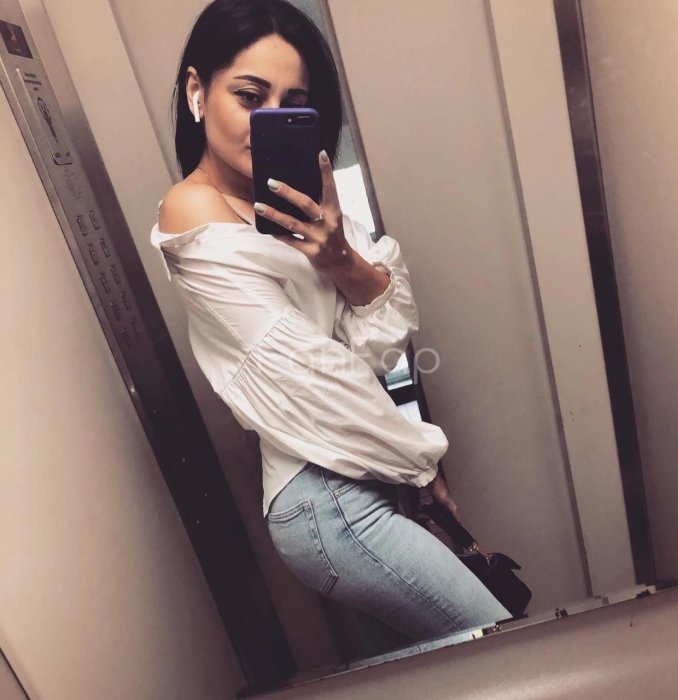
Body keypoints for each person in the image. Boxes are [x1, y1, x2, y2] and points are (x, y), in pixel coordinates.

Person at [151, 0, 509, 641]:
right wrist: (417, 461)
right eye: (249, 97)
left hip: (358, 467)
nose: (268, 120)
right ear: (197, 91)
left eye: (292, 104)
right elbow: (312, 374)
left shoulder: (305, 202)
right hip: (324, 497)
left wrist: (339, 256)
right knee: (499, 641)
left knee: (445, 663)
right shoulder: (193, 211)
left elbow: (382, 340)